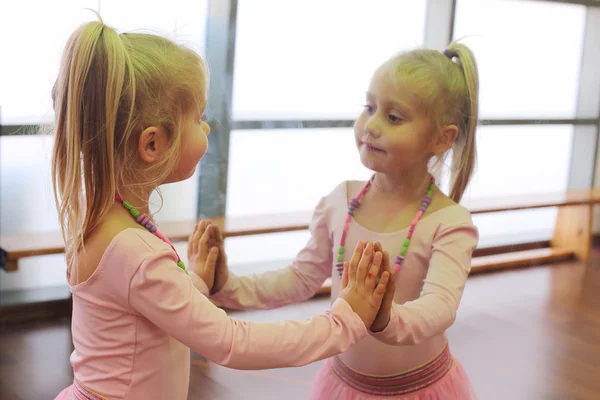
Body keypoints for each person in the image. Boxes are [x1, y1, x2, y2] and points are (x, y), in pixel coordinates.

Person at [51, 18, 391, 400]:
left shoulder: (108, 218)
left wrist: (195, 280)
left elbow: (147, 313)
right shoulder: (135, 252)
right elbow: (232, 342)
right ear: (152, 145)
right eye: (198, 119)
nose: (207, 129)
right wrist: (347, 319)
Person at [203, 42, 480, 399]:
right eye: (369, 107)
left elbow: (440, 307)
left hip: (419, 389)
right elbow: (301, 278)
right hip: (343, 385)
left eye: (393, 117)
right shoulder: (340, 202)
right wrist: (228, 284)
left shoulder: (449, 223)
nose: (372, 125)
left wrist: (385, 319)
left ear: (442, 139)